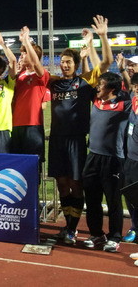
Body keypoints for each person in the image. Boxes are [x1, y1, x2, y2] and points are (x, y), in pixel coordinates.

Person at [48, 15, 113, 245]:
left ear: (76, 64)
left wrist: (101, 37)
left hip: (76, 141)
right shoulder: (54, 82)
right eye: (62, 61)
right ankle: (68, 227)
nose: (64, 65)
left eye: (68, 62)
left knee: (76, 184)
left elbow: (106, 62)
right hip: (56, 140)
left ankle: (72, 229)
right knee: (61, 184)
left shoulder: (84, 83)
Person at [82, 72, 131, 252]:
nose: (97, 87)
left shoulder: (124, 104)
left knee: (113, 200)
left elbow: (132, 91)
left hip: (113, 159)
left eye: (101, 84)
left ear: (111, 88)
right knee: (92, 199)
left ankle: (115, 237)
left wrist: (124, 71)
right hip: (92, 157)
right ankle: (96, 234)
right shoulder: (96, 100)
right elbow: (93, 71)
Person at [10, 26, 49, 168]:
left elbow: (37, 64)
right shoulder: (19, 76)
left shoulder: (41, 75)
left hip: (33, 125)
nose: (21, 56)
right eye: (21, 54)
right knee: (16, 164)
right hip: (15, 125)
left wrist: (26, 41)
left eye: (24, 54)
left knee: (33, 165)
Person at [123, 73, 138, 243]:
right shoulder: (133, 102)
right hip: (130, 159)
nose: (137, 90)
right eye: (135, 87)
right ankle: (134, 227)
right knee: (130, 196)